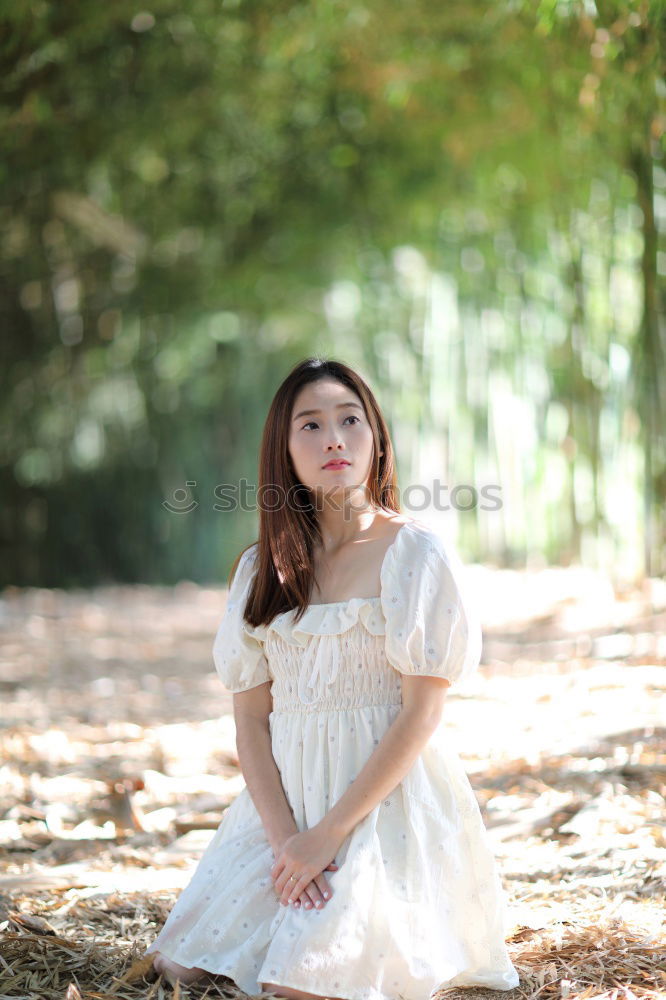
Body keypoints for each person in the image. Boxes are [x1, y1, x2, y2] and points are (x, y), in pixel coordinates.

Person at [146, 357, 520, 999]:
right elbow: (250, 721)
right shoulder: (264, 569)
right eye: (310, 426)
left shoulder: (415, 555)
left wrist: (329, 835)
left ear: (376, 437)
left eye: (350, 420)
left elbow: (421, 714)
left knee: (306, 982)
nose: (334, 439)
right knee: (182, 965)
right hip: (284, 807)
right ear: (283, 452)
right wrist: (288, 838)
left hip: (380, 806)